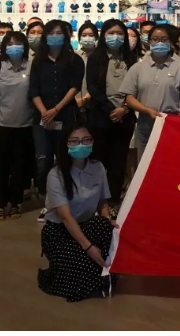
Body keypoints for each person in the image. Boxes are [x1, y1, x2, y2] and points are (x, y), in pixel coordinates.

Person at [38, 122, 117, 302]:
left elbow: (102, 202)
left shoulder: (98, 167)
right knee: (82, 265)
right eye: (74, 141)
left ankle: (100, 270)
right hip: (59, 232)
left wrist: (107, 221)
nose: (81, 145)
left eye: (86, 140)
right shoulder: (56, 175)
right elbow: (65, 217)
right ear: (66, 144)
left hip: (86, 225)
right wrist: (88, 247)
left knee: (107, 227)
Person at [30, 20, 85, 221]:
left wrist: (56, 109)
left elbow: (74, 87)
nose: (55, 36)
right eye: (51, 33)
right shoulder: (38, 61)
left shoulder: (74, 60)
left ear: (66, 36)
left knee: (65, 160)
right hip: (42, 119)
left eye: (59, 33)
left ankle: (68, 201)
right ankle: (48, 203)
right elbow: (33, 90)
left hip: (65, 116)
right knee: (43, 163)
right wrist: (45, 112)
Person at [85, 19, 137, 213]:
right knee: (98, 162)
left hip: (125, 118)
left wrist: (124, 108)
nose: (116, 37)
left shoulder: (131, 59)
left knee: (118, 163)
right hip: (101, 118)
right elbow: (93, 88)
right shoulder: (95, 58)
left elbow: (136, 87)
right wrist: (111, 110)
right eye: (111, 33)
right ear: (103, 36)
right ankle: (96, 202)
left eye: (120, 33)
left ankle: (113, 201)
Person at [0, 31, 33, 220]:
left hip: (25, 124)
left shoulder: (32, 65)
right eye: (9, 44)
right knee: (0, 166)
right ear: (4, 47)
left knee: (19, 166)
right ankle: (0, 204)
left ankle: (16, 203)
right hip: (0, 123)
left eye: (17, 43)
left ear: (24, 45)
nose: (14, 47)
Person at [122, 25, 180, 160]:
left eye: (164, 39)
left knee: (169, 162)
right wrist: (147, 110)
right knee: (145, 164)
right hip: (145, 123)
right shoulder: (138, 67)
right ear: (149, 42)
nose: (160, 42)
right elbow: (129, 98)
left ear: (170, 43)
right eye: (155, 39)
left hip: (170, 123)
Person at [75, 22, 99, 115]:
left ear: (96, 37)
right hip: (75, 103)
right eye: (84, 35)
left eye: (91, 35)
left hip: (95, 103)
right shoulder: (73, 56)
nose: (87, 38)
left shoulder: (101, 56)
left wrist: (86, 98)